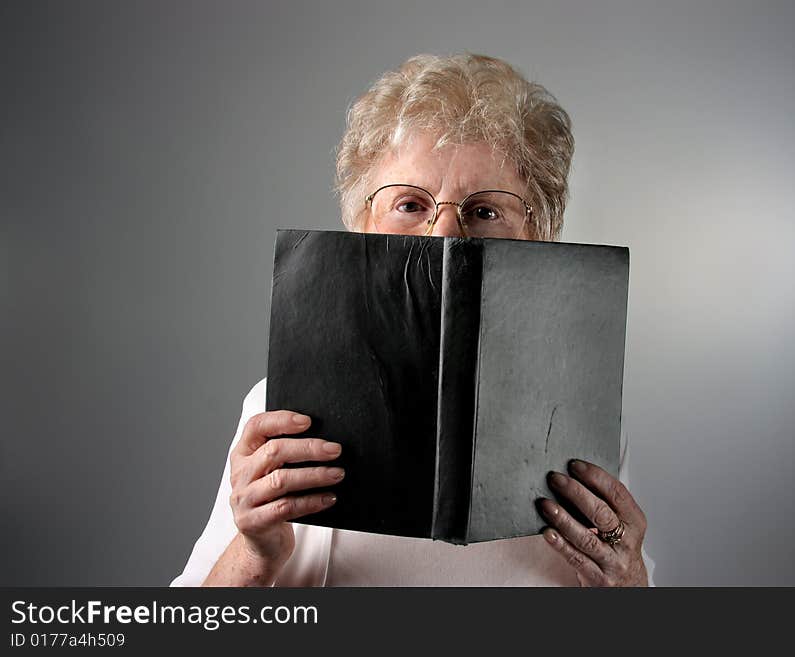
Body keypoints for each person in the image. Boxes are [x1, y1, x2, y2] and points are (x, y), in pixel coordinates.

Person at [171, 53, 655, 587]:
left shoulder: (581, 427)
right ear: (361, 224)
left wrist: (630, 586)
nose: (445, 236)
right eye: (410, 204)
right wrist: (255, 554)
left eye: (485, 210)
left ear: (537, 234)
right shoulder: (280, 409)